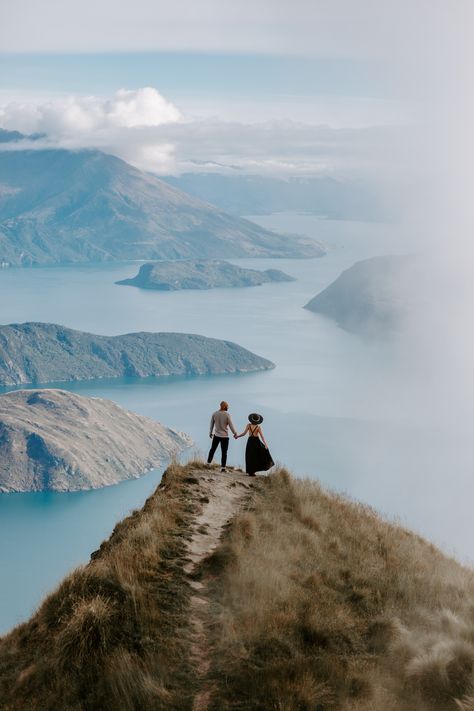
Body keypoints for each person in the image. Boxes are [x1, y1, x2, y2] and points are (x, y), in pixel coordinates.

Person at [207, 401, 237, 472]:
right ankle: (223, 468)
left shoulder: (214, 414)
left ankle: (208, 463)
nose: (227, 408)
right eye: (227, 406)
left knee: (212, 449)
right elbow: (231, 425)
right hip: (224, 437)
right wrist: (235, 433)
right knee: (224, 452)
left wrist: (210, 433)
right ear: (223, 406)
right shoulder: (227, 415)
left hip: (216, 435)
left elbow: (211, 424)